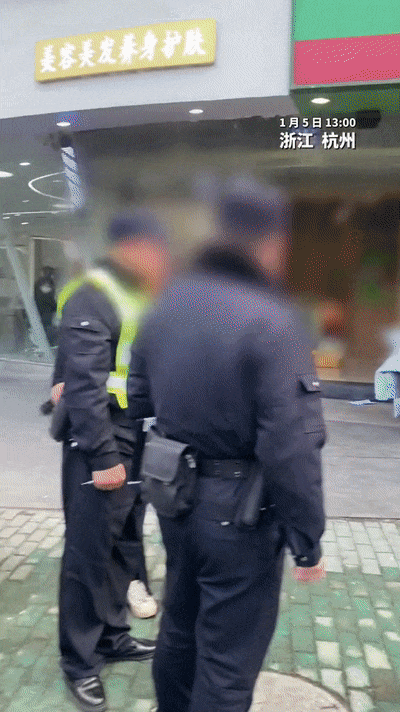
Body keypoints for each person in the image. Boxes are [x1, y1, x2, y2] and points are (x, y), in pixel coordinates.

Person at [127, 177, 326, 712]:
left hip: (173, 495)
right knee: (227, 661)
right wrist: (308, 539)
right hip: (240, 516)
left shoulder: (165, 304)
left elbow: (138, 396)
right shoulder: (273, 319)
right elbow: (290, 444)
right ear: (272, 241)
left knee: (180, 625)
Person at [52, 211, 170, 712]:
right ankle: (80, 662)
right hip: (101, 441)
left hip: (136, 434)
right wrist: (102, 455)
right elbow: (82, 382)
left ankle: (112, 635)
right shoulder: (93, 293)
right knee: (88, 553)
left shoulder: (138, 294)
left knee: (122, 545)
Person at [34, 266, 57, 345]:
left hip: (40, 309)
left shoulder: (39, 282)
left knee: (43, 328)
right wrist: (55, 307)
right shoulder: (46, 281)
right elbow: (47, 297)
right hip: (45, 310)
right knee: (46, 328)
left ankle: (42, 344)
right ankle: (46, 345)